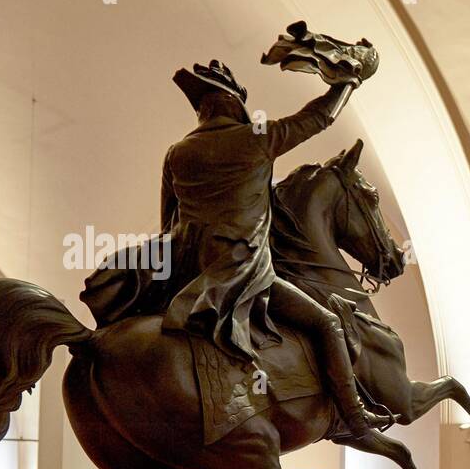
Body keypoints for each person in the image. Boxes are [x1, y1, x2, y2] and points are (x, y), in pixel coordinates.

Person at [159, 59, 385, 440]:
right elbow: (318, 117)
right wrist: (348, 83)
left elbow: (168, 225)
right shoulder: (256, 139)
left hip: (189, 273)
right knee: (327, 323)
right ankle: (355, 417)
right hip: (241, 269)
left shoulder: (177, 153)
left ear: (203, 107)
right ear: (233, 102)